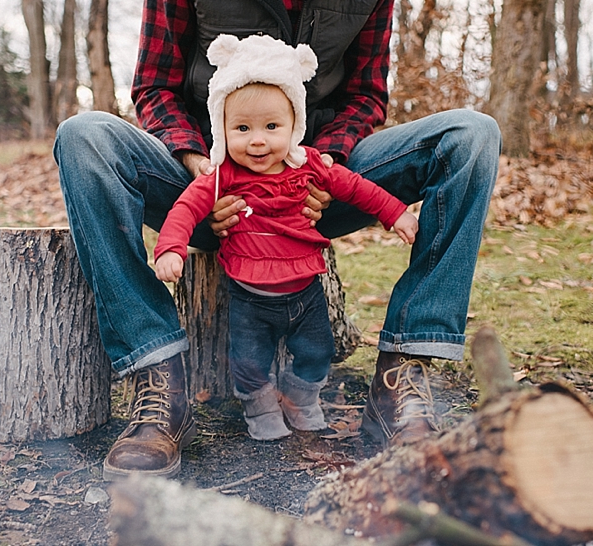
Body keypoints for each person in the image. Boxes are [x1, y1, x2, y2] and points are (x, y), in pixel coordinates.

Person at [53, 0, 501, 480]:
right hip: (202, 177)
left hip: (317, 181)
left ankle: (401, 377)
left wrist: (319, 165)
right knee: (85, 136)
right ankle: (161, 382)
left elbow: (365, 97)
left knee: (471, 135)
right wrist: (202, 165)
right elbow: (154, 88)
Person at [153, 34, 419, 442]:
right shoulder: (223, 176)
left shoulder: (309, 165)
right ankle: (259, 407)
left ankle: (300, 397)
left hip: (305, 292)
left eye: (272, 126)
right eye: (242, 128)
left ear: (295, 126)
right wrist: (171, 248)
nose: (258, 140)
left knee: (318, 351)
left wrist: (394, 212)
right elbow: (186, 208)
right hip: (250, 297)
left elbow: (357, 188)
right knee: (249, 361)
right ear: (222, 130)